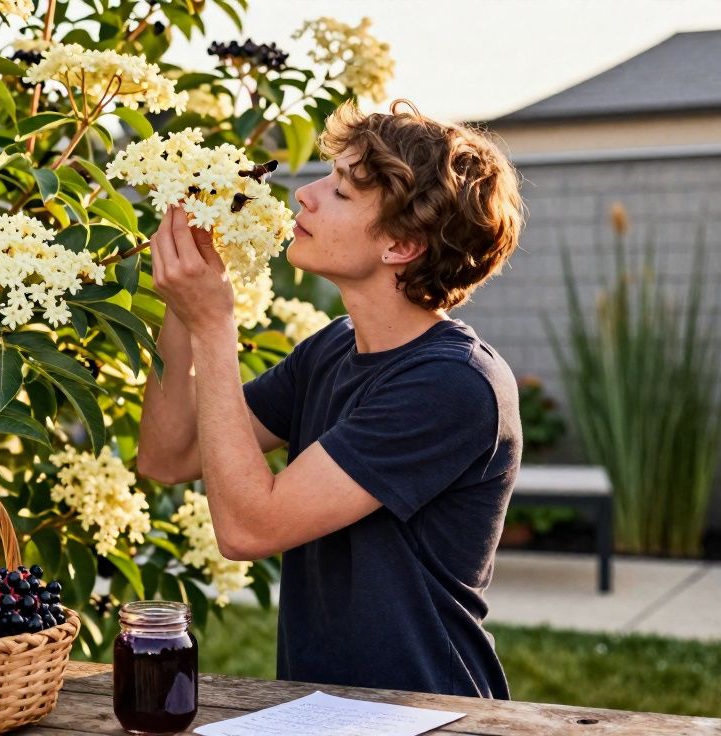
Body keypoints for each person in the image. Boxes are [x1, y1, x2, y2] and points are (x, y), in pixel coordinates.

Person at [135, 98, 526, 698]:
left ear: (402, 245)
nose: (305, 196)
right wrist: (183, 308)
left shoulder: (454, 385)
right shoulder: (333, 350)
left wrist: (215, 326)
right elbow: (169, 457)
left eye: (342, 191)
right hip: (321, 710)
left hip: (427, 714)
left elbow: (247, 530)